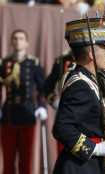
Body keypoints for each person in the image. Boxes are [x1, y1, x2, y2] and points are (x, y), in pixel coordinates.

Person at [52, 18, 105, 173]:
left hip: (92, 165)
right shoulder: (80, 85)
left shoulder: (98, 78)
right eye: (104, 49)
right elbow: (62, 128)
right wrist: (95, 148)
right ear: (91, 54)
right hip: (78, 166)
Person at [0, 29, 47, 174]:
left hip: (27, 113)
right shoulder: (4, 63)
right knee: (8, 161)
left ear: (26, 43)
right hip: (8, 114)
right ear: (11, 42)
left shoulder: (33, 63)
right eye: (15, 38)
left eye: (21, 38)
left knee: (25, 161)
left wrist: (42, 106)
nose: (17, 41)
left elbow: (42, 87)